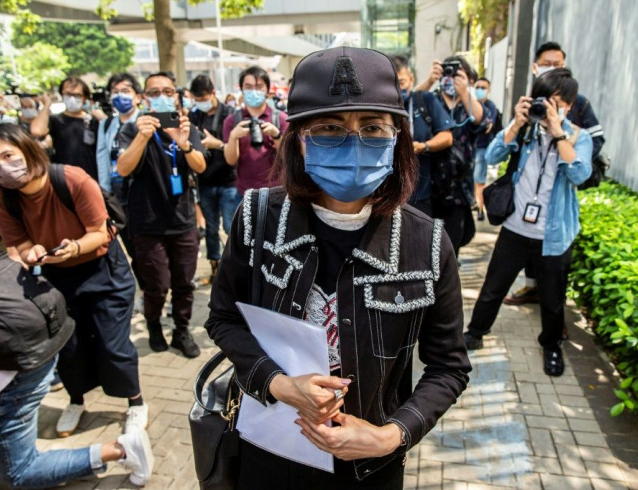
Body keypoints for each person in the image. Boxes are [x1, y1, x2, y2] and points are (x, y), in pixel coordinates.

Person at [204, 46, 471, 488]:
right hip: (269, 450)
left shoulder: (426, 243)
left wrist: (392, 435)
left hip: (369, 467)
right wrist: (277, 384)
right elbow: (224, 317)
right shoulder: (257, 218)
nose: (353, 143)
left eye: (372, 127)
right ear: (299, 141)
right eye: (329, 129)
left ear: (397, 138)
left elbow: (448, 367)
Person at [0, 124, 154, 487]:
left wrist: (75, 246)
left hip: (103, 270)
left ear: (27, 149)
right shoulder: (1, 199)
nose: (0, 167)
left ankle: (135, 403)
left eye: (7, 156)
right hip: (54, 277)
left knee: (112, 344)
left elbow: (100, 231)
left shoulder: (71, 178)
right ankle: (76, 399)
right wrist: (32, 252)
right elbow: (17, 244)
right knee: (68, 348)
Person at [463, 68, 593, 377]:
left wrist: (558, 132)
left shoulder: (579, 136)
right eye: (543, 100)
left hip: (554, 235)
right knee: (493, 287)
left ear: (569, 105)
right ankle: (475, 332)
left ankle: (551, 345)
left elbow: (579, 174)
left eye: (556, 103)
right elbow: (493, 156)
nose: (547, 108)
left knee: (552, 300)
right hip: (516, 229)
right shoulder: (525, 129)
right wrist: (517, 123)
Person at [504, 41, 605, 307]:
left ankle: (553, 334)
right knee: (507, 276)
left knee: (554, 288)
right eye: (546, 63)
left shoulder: (577, 101)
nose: (552, 68)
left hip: (556, 210)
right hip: (520, 216)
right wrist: (518, 123)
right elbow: (498, 152)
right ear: (535, 66)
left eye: (557, 63)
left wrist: (563, 138)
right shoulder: (531, 103)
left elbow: (585, 161)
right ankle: (528, 291)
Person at [117, 71, 207, 358]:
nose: (162, 97)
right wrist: (142, 137)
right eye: (154, 92)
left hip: (182, 221)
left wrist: (184, 142)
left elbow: (200, 166)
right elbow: (123, 169)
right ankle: (154, 324)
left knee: (184, 282)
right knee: (156, 285)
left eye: (168, 92)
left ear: (177, 96)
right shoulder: (133, 129)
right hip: (146, 222)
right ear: (144, 99)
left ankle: (182, 330)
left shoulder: (185, 126)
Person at [418, 56, 489, 256]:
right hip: (429, 186)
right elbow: (409, 105)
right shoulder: (431, 99)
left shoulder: (468, 104)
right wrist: (431, 80)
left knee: (451, 246)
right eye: (448, 73)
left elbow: (482, 121)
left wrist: (464, 92)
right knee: (425, 242)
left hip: (458, 189)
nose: (451, 78)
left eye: (458, 74)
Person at [189, 75, 238, 283]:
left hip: (228, 180)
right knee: (210, 229)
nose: (201, 101)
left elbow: (236, 148)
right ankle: (215, 269)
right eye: (197, 98)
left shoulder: (229, 115)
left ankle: (234, 266)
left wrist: (215, 143)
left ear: (213, 93)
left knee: (230, 226)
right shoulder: (194, 117)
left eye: (204, 97)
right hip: (205, 181)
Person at [392, 56, 453, 217]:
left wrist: (424, 146)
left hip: (421, 194)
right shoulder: (380, 107)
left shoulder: (424, 100)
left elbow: (447, 136)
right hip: (387, 194)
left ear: (411, 80)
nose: (398, 88)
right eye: (393, 84)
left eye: (402, 82)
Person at [222, 65, 288, 199]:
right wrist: (234, 137)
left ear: (267, 89)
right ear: (241, 89)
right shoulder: (232, 120)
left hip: (276, 192)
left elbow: (288, 157)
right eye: (248, 87)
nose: (254, 91)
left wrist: (276, 135)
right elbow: (230, 160)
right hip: (244, 193)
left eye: (259, 87)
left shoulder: (280, 118)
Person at [30, 77, 100, 181]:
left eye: (77, 95)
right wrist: (47, 105)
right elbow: (37, 131)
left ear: (85, 97)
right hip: (63, 180)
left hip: (91, 179)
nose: (72, 98)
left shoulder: (93, 121)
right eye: (68, 94)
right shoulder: (55, 120)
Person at [473, 77, 501, 221]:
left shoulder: (490, 107)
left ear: (488, 90)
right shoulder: (470, 104)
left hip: (482, 148)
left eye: (483, 88)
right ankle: (475, 203)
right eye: (478, 87)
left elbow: (487, 126)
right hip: (470, 149)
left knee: (479, 180)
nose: (480, 90)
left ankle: (480, 208)